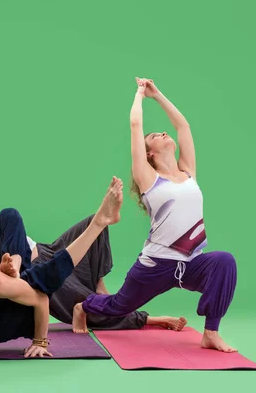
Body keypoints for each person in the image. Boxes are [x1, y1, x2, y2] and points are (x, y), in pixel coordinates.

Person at [0, 157, 185, 332]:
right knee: (82, 307)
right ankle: (151, 320)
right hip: (27, 269)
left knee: (93, 225)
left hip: (43, 248)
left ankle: (100, 287)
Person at [0, 177, 147, 359]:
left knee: (11, 219)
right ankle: (95, 225)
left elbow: (41, 299)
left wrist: (40, 342)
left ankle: (94, 225)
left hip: (13, 292)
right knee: (38, 277)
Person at [80, 78, 238, 353]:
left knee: (224, 262)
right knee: (118, 307)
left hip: (192, 263)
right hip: (156, 264)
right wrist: (140, 95)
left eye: (162, 132)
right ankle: (83, 306)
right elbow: (135, 125)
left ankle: (211, 333)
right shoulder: (148, 178)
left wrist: (158, 95)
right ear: (148, 153)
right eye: (154, 136)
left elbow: (183, 126)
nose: (163, 133)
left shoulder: (188, 172)